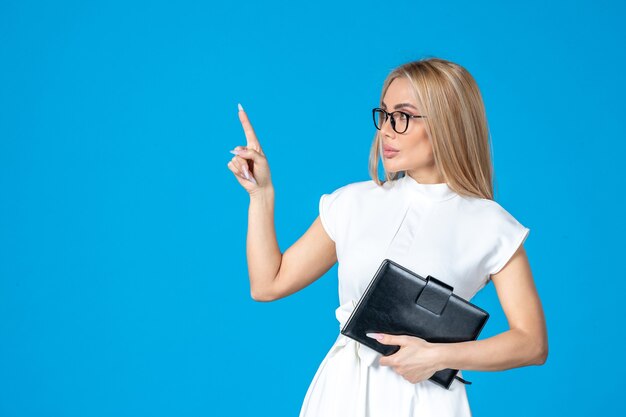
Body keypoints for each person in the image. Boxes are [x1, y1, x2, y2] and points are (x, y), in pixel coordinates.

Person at [226, 57, 548, 417]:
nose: (387, 131)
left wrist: (439, 356)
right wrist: (261, 195)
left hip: (425, 401)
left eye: (403, 116)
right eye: (385, 114)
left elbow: (531, 343)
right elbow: (267, 284)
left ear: (447, 123)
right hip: (342, 392)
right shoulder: (353, 202)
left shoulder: (492, 226)